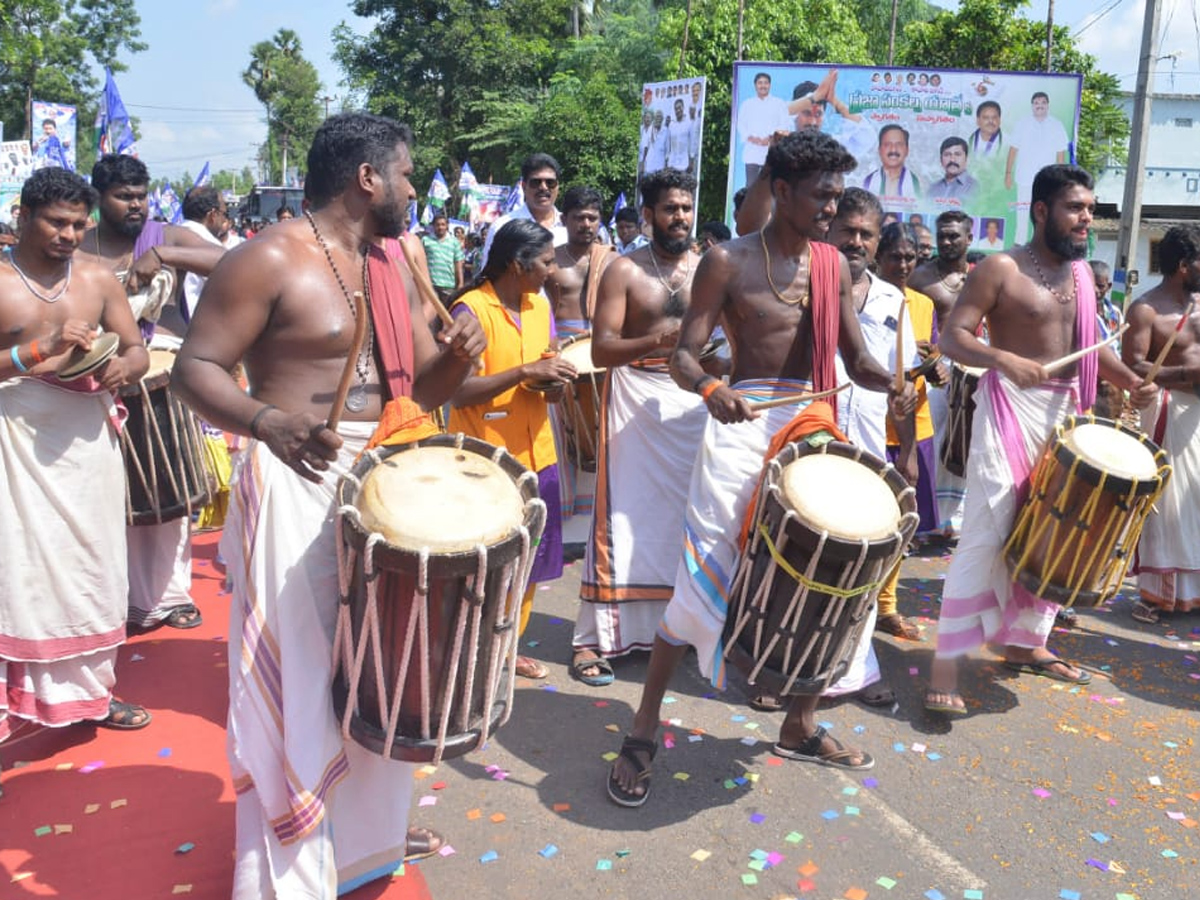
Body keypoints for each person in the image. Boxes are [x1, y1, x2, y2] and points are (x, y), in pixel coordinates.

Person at [173, 112, 484, 898]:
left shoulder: (395, 262)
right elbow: (194, 368)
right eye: (408, 174)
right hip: (290, 477)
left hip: (380, 475)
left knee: (376, 666)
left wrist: (455, 358)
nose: (415, 189)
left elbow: (421, 389)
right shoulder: (265, 258)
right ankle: (288, 859)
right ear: (368, 178)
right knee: (302, 677)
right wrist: (267, 422)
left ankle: (359, 842)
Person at [607, 131, 916, 807]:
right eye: (822, 194)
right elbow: (686, 356)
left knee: (831, 572)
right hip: (739, 427)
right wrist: (712, 390)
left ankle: (800, 725)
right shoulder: (725, 261)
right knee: (702, 580)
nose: (833, 208)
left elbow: (857, 361)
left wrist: (898, 383)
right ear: (781, 192)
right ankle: (642, 726)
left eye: (839, 194)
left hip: (811, 424)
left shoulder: (832, 265)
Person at [925, 165, 1155, 718]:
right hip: (1008, 408)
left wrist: (1130, 382)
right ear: (1040, 210)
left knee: (1057, 525)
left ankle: (1025, 641)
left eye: (1090, 210)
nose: (1086, 220)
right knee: (988, 527)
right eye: (1076, 208)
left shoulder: (1080, 277)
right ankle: (945, 663)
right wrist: (1002, 358)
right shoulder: (1000, 269)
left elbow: (1091, 345)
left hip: (1066, 414)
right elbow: (954, 337)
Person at [1, 167, 152, 745]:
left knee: (94, 565)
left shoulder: (97, 278)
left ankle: (89, 696)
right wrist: (36, 350)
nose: (68, 235)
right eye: (56, 222)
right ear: (23, 216)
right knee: (15, 572)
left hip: (87, 440)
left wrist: (124, 366)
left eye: (76, 225)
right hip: (13, 442)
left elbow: (136, 350)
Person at [572, 169, 710, 687]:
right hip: (634, 396)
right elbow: (602, 349)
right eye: (670, 209)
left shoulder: (707, 267)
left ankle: (675, 631)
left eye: (686, 208)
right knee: (621, 521)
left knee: (688, 519)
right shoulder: (623, 270)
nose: (680, 217)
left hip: (692, 402)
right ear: (648, 215)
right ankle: (592, 640)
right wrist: (657, 343)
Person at [81, 154, 225, 633]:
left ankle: (168, 597)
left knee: (169, 506)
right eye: (123, 197)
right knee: (109, 502)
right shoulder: (81, 246)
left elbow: (232, 262)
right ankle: (119, 600)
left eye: (141, 195)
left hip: (161, 379)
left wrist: (164, 257)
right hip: (96, 383)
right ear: (99, 199)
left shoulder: (165, 237)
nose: (136, 205)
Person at [447, 219, 571, 681]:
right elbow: (458, 392)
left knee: (531, 564)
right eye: (546, 262)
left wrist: (553, 383)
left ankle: (505, 649)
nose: (553, 271)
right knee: (483, 566)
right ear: (518, 264)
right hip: (487, 462)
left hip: (539, 453)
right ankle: (469, 648)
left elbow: (540, 376)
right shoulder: (470, 310)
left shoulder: (540, 305)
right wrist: (522, 373)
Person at [828, 195, 921, 657]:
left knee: (862, 556)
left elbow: (902, 386)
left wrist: (906, 452)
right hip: (813, 438)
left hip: (868, 445)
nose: (856, 242)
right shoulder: (807, 286)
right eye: (848, 231)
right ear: (829, 229)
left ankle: (853, 657)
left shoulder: (894, 300)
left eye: (866, 234)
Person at [1123, 225, 1200, 624]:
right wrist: (1187, 375)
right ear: (1185, 266)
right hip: (1170, 415)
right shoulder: (1147, 309)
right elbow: (1131, 364)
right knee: (1169, 505)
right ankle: (1158, 595)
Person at [874, 222, 947, 638]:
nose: (903, 264)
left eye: (910, 256)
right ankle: (860, 605)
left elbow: (935, 370)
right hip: (875, 425)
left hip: (915, 428)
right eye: (895, 256)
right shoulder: (864, 298)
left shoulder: (923, 304)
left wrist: (935, 368)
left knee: (902, 525)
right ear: (878, 258)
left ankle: (887, 607)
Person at [546, 186, 612, 335]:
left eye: (592, 218)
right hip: (560, 343)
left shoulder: (614, 261)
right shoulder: (550, 261)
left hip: (603, 343)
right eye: (579, 218)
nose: (586, 224)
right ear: (564, 220)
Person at [482, 152, 567, 268]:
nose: (543, 187)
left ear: (558, 186)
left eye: (550, 182)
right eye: (536, 182)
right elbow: (489, 275)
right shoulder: (503, 226)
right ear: (523, 186)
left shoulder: (570, 227)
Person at [1005, 92, 1069, 245]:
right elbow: (1013, 149)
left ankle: (1041, 246)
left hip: (1048, 179)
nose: (1039, 105)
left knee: (1044, 213)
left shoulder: (1057, 125)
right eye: (1036, 103)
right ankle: (1019, 244)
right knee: (1022, 212)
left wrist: (1059, 178)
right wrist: (1008, 173)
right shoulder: (1022, 123)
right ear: (1032, 105)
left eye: (1043, 102)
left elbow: (1061, 152)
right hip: (1025, 177)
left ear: (1047, 105)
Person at [736, 72, 791, 184]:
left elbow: (784, 123)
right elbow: (740, 124)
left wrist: (771, 138)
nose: (763, 86)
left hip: (772, 150)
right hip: (752, 151)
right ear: (755, 85)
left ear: (770, 85)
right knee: (751, 186)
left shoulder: (779, 103)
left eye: (766, 83)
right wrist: (752, 138)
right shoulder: (747, 104)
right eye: (760, 83)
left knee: (771, 186)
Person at [861, 125, 920, 200]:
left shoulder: (914, 182)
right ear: (879, 150)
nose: (893, 149)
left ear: (907, 150)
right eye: (887, 144)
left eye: (899, 144)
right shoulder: (869, 181)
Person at [420, 211, 464, 306]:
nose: (440, 227)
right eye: (438, 225)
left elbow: (458, 264)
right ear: (433, 226)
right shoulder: (425, 240)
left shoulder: (454, 242)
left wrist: (460, 283)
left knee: (446, 315)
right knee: (429, 315)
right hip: (430, 285)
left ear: (447, 226)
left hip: (448, 286)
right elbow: (419, 261)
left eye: (443, 224)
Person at [927, 137, 979, 205]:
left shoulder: (975, 188)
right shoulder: (932, 189)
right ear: (941, 160)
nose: (952, 160)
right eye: (947, 155)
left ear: (966, 158)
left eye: (957, 154)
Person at [666, 98, 695, 173]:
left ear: (683, 107)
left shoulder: (689, 124)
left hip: (684, 164)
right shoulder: (671, 125)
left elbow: (692, 144)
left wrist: (691, 162)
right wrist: (667, 160)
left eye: (679, 108)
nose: (678, 110)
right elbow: (668, 144)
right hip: (671, 164)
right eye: (676, 109)